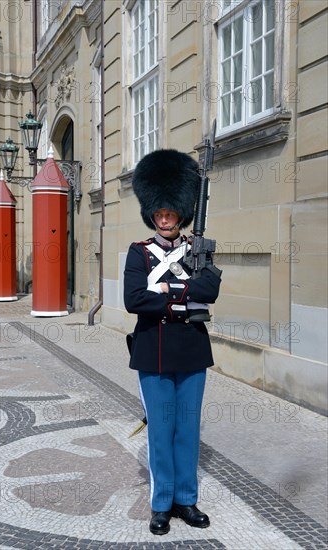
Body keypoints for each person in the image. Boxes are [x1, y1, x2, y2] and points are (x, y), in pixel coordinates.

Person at [123, 149, 222, 535]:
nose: (165, 219)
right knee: (161, 430)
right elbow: (134, 299)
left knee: (188, 428)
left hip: (192, 352)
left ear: (182, 214)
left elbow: (210, 289)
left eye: (172, 213)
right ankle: (161, 503)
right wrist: (184, 297)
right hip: (153, 352)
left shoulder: (198, 251)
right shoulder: (139, 253)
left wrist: (165, 290)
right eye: (159, 213)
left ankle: (186, 499)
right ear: (152, 215)